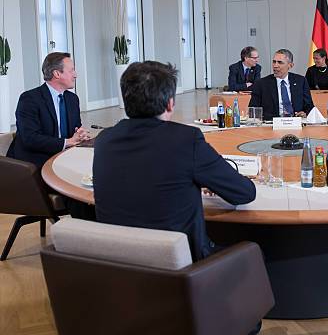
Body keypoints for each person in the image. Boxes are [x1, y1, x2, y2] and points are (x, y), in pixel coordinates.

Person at [93, 61, 256, 261]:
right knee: (259, 253)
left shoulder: (104, 140)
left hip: (121, 264)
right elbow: (244, 193)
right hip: (183, 268)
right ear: (170, 102)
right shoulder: (186, 139)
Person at [8, 52, 90, 168]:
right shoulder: (29, 99)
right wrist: (68, 142)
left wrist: (79, 134)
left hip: (63, 154)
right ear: (57, 73)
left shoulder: (72, 99)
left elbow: (75, 128)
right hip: (34, 160)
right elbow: (30, 138)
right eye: (71, 70)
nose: (75, 75)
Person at [248, 49, 314, 121]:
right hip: (271, 125)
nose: (275, 66)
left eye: (280, 62)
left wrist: (305, 113)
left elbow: (309, 106)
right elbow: (253, 110)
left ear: (290, 65)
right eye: (274, 62)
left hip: (296, 123)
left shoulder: (301, 81)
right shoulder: (261, 83)